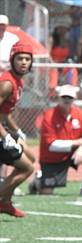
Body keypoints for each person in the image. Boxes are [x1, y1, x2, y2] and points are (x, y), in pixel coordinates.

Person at [29, 85, 82, 196]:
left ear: (74, 99)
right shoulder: (49, 115)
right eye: (64, 97)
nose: (67, 100)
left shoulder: (80, 114)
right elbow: (51, 145)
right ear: (58, 98)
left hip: (72, 155)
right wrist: (77, 143)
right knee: (46, 193)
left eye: (70, 98)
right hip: (52, 159)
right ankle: (37, 181)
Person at [0, 42, 35, 217]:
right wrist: (6, 137)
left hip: (3, 131)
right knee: (27, 168)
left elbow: (5, 114)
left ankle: (6, 201)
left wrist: (17, 131)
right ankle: (3, 201)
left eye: (27, 59)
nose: (23, 62)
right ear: (12, 60)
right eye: (20, 58)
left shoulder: (17, 81)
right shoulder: (7, 83)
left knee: (31, 157)